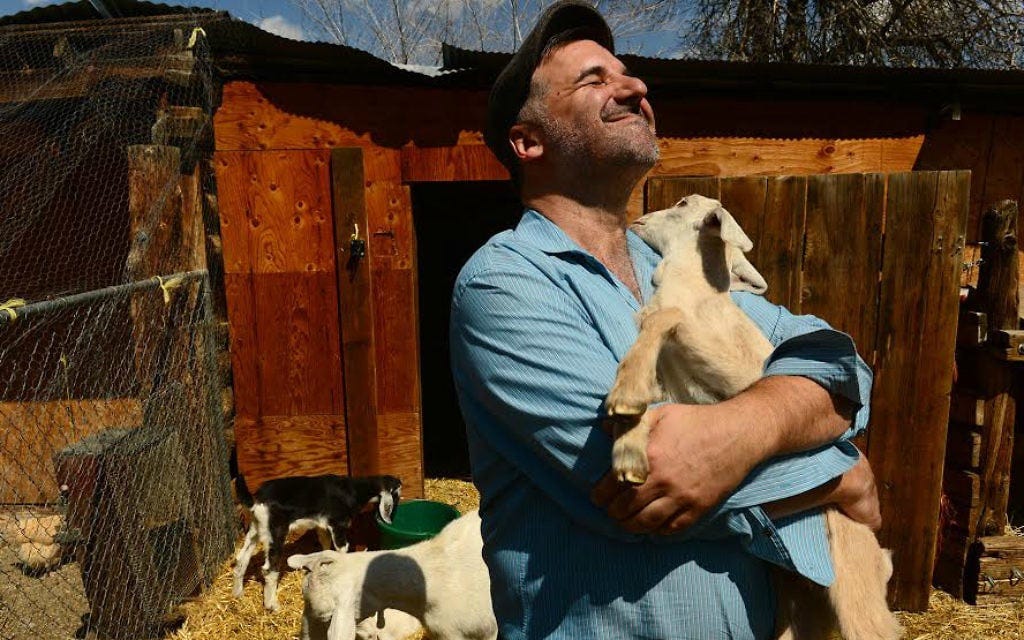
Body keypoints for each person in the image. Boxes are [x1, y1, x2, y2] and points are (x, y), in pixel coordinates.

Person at [449, 2, 881, 638]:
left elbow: (833, 364)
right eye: (594, 79)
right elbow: (643, 483)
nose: (635, 87)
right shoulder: (505, 281)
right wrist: (838, 473)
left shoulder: (677, 259)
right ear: (529, 141)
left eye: (628, 75)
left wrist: (757, 429)